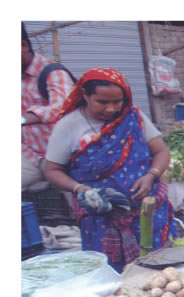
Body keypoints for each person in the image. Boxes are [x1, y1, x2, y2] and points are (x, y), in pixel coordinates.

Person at [41, 69, 174, 272]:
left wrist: (151, 176)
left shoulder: (133, 117)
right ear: (85, 95)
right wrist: (80, 189)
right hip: (100, 215)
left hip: (146, 210)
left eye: (117, 101)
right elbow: (52, 170)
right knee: (110, 271)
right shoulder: (68, 126)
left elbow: (161, 151)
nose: (111, 108)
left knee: (159, 267)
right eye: (102, 102)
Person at [21, 23, 76, 193]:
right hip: (31, 155)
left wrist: (23, 119)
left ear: (23, 46)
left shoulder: (53, 72)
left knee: (84, 202)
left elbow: (62, 107)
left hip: (65, 159)